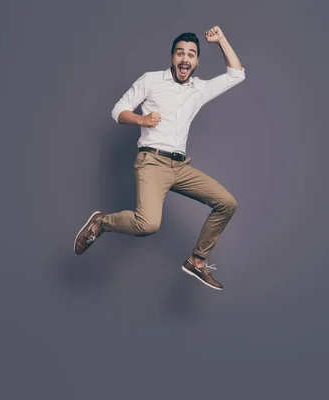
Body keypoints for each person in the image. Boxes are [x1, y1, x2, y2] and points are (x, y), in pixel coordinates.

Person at [74, 26, 245, 290]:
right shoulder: (151, 80)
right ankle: (101, 222)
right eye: (180, 53)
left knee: (227, 203)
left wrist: (221, 40)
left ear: (197, 61)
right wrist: (142, 119)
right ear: (172, 57)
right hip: (151, 162)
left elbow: (236, 74)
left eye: (190, 55)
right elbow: (117, 110)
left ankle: (197, 261)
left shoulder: (199, 89)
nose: (184, 59)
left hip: (180, 166)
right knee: (148, 224)